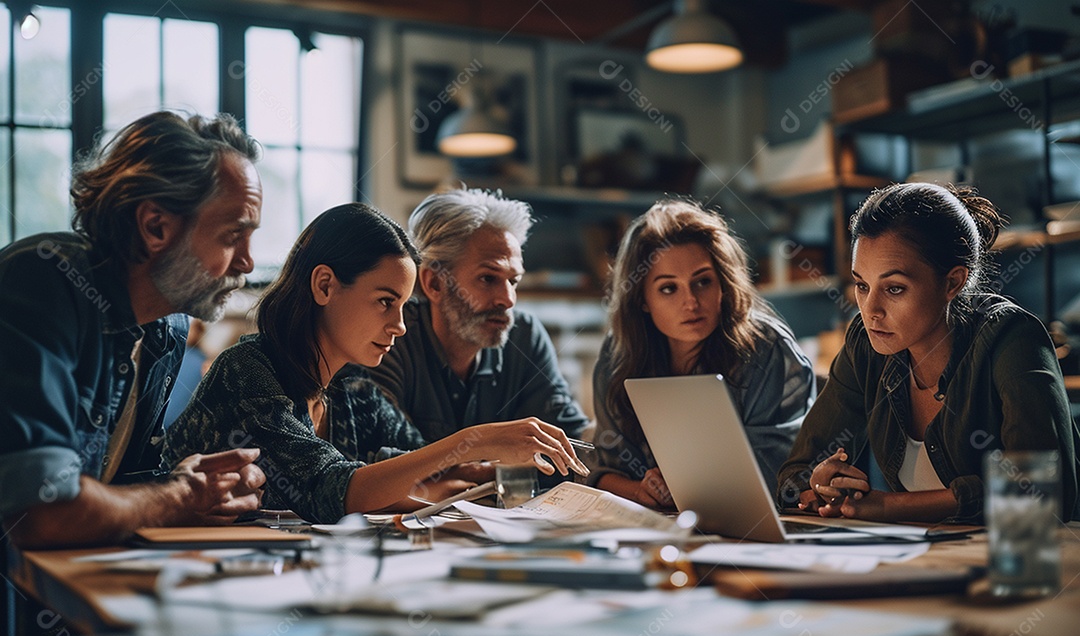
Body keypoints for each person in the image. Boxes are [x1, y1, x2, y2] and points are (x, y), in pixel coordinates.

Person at [164, 203, 588, 524]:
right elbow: (327, 489)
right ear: (325, 285)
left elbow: (419, 465)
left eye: (403, 306)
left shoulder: (352, 391)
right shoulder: (247, 371)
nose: (400, 326)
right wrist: (475, 440)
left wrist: (467, 467)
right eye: (386, 302)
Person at [0, 111, 266, 548]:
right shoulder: (41, 283)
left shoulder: (168, 329)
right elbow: (41, 513)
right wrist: (180, 497)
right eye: (232, 235)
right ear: (155, 226)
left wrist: (188, 485)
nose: (247, 262)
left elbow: (116, 489)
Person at [777, 182, 1080, 523]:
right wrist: (818, 489)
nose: (870, 310)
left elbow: (1042, 494)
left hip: (1031, 567)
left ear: (953, 282)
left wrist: (890, 506)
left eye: (894, 288)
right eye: (862, 285)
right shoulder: (866, 345)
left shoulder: (1013, 339)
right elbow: (796, 473)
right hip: (931, 562)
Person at [591, 199, 815, 508]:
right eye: (669, 288)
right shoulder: (618, 354)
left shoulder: (766, 348)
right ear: (642, 299)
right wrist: (638, 490)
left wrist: (684, 484)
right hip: (654, 529)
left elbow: (782, 473)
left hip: (757, 527)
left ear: (723, 284)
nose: (692, 303)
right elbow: (602, 469)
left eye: (703, 282)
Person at [365, 188, 590, 445]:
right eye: (487, 278)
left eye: (513, 281)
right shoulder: (390, 339)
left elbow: (571, 437)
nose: (508, 300)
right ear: (435, 283)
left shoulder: (525, 336)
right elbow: (389, 459)